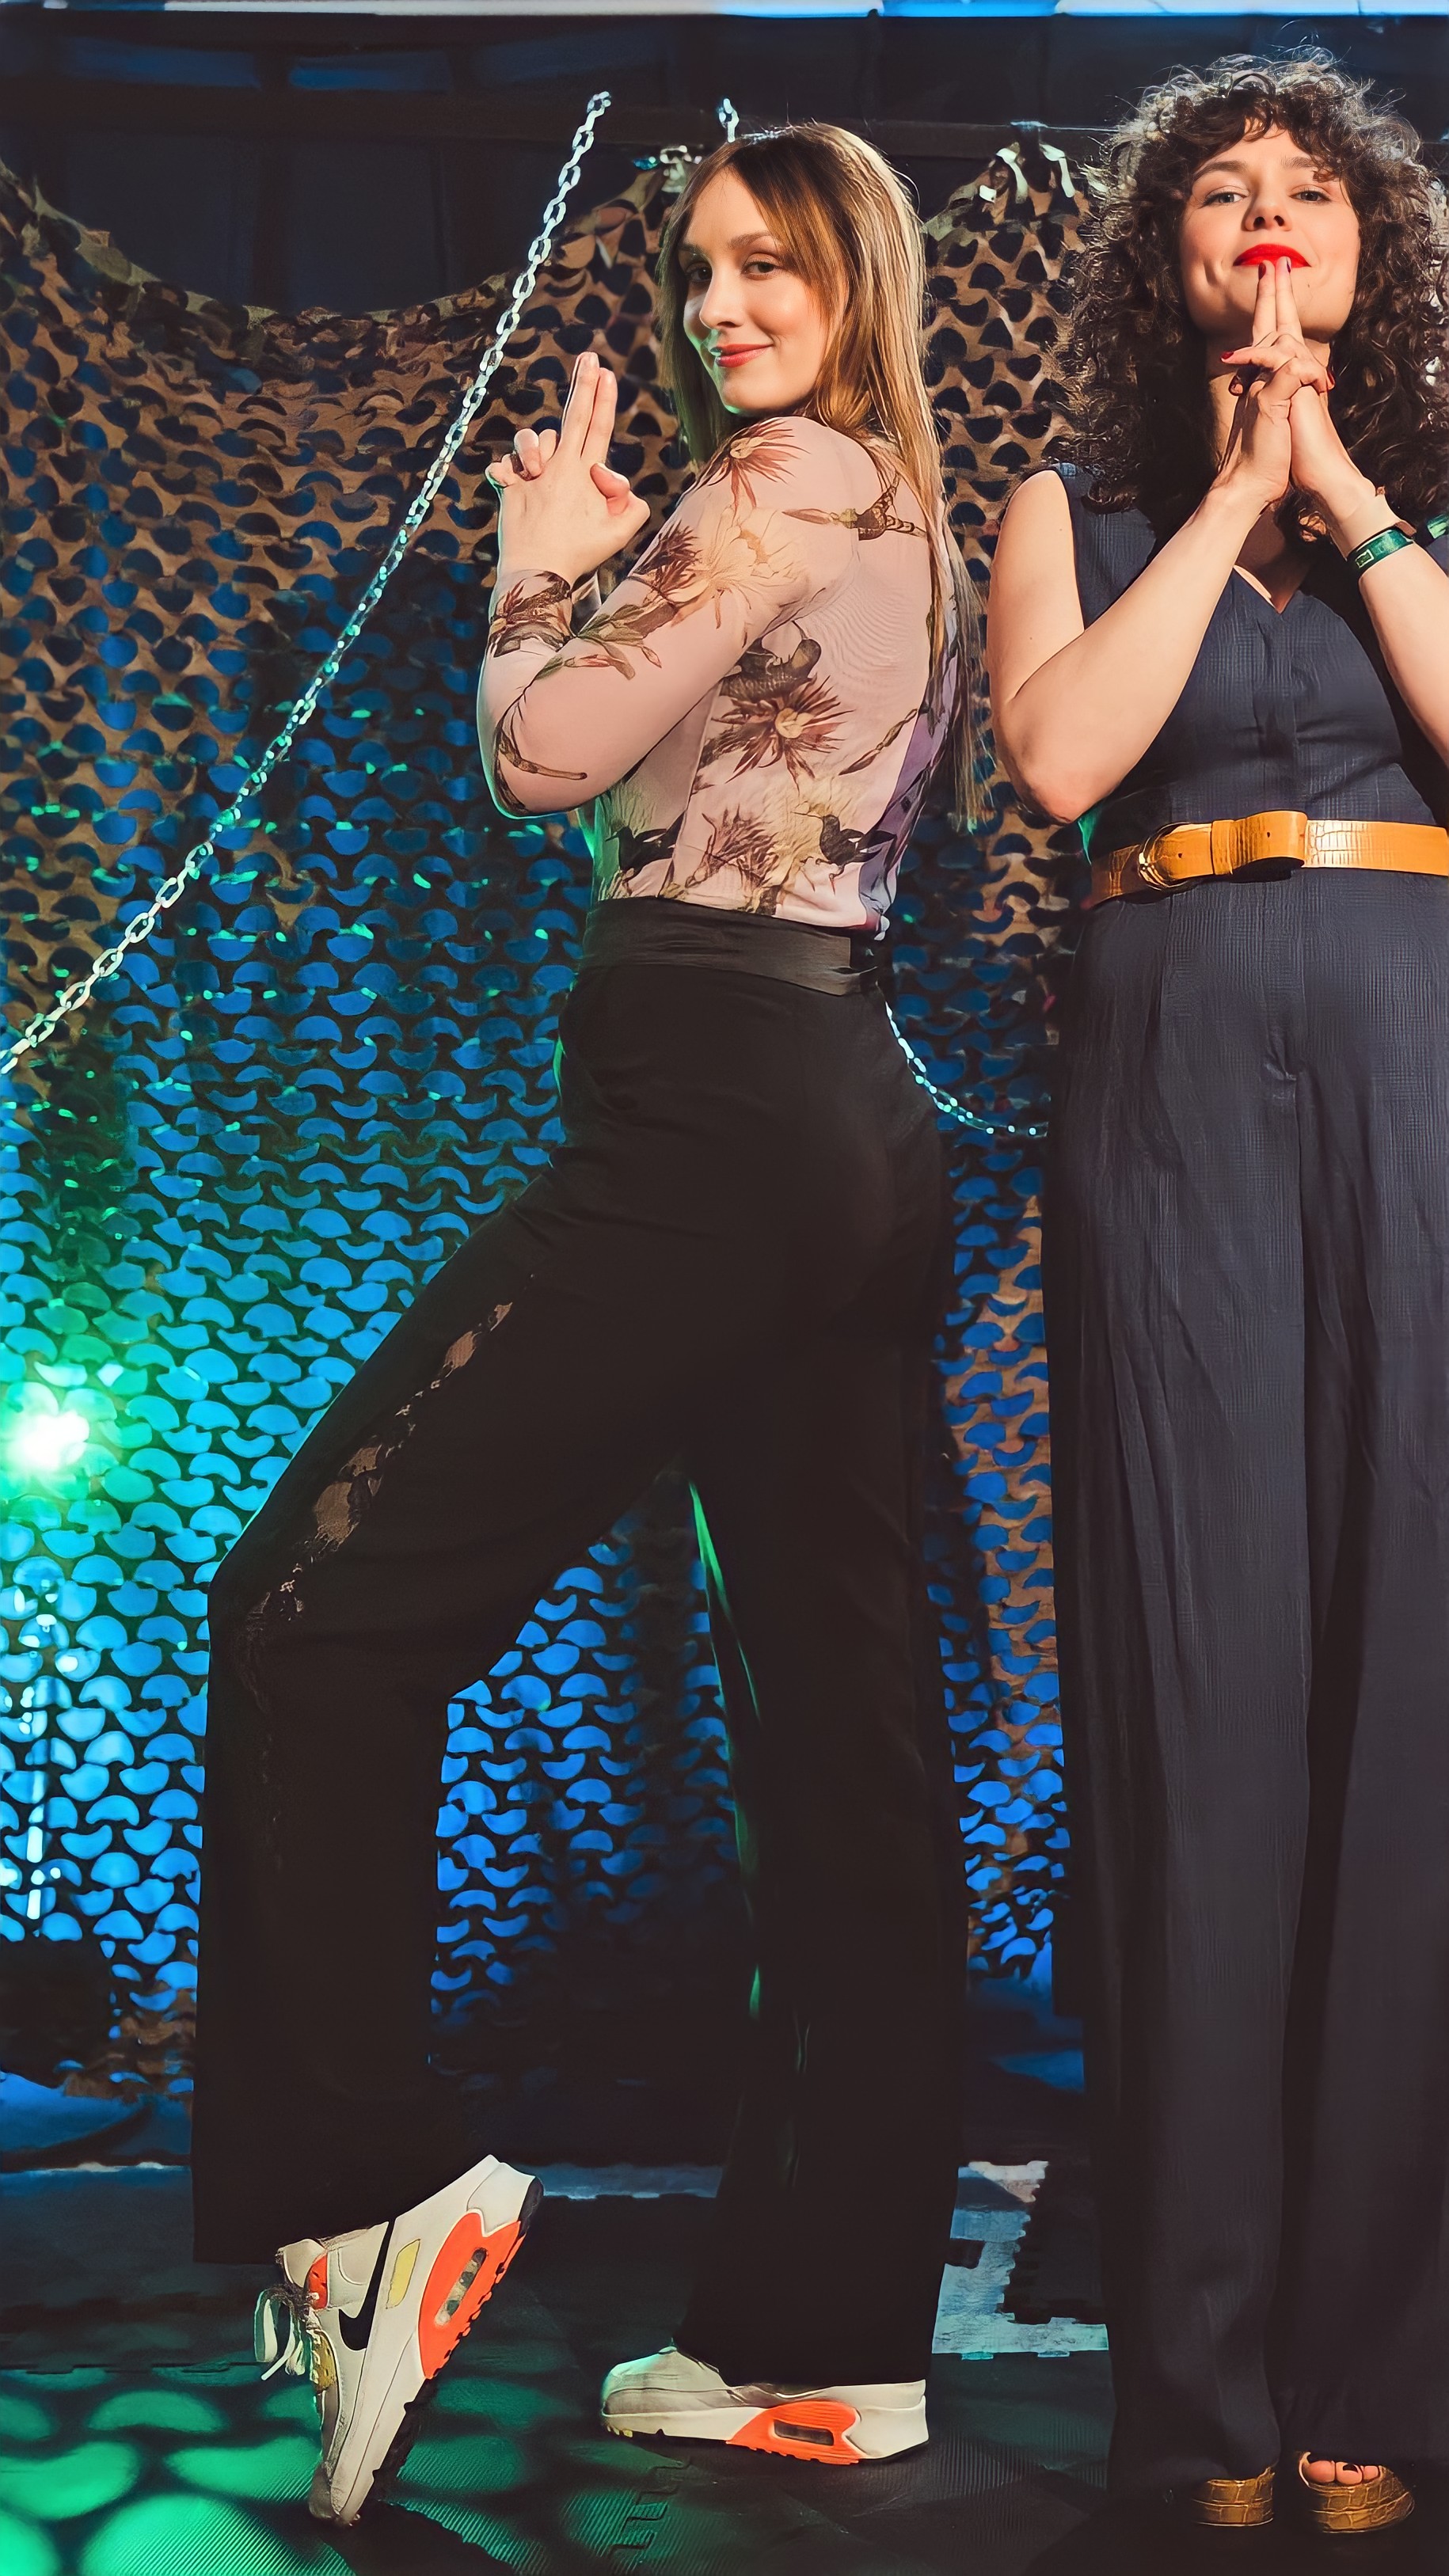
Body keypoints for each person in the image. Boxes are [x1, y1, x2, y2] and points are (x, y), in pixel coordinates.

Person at [192, 123, 972, 2526]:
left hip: (717, 1109)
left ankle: (379, 2185)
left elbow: (544, 757)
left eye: (771, 261)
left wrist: (538, 573)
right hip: (848, 1116)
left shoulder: (779, 479)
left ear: (856, 276)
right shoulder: (903, 507)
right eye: (700, 268)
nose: (726, 304)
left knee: (307, 1602)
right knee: (841, 1759)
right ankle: (823, 2345)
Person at [989, 55, 1449, 2538]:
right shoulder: (1075, 505)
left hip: (1417, 1064)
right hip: (1171, 1069)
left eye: (1313, 197)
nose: (1270, 222)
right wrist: (1232, 499)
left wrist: (1347, 495)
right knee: (1205, 1702)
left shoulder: (1433, 509)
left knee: (1407, 1696)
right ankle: (1202, 2387)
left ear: (1374, 254)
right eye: (1223, 195)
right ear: (1166, 257)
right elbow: (1062, 759)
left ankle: (1375, 2361)